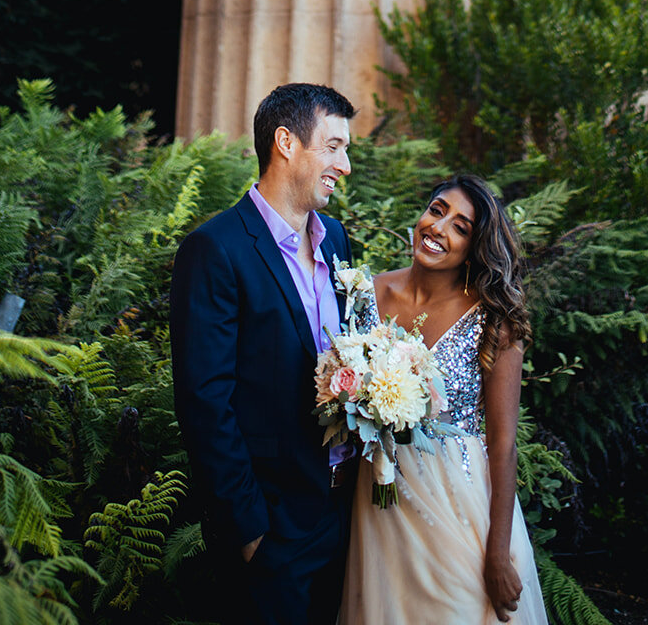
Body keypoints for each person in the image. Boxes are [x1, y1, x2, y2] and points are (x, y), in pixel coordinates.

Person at [168, 82, 356, 625]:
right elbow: (205, 403)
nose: (345, 166)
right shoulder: (216, 249)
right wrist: (249, 530)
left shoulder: (337, 240)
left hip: (341, 514)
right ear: (285, 142)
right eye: (334, 147)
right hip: (270, 530)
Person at [340, 173, 549, 625]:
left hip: (458, 508)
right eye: (437, 210)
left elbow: (505, 444)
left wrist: (497, 552)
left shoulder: (493, 320)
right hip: (380, 506)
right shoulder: (367, 296)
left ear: (474, 249)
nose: (439, 228)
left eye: (461, 227)